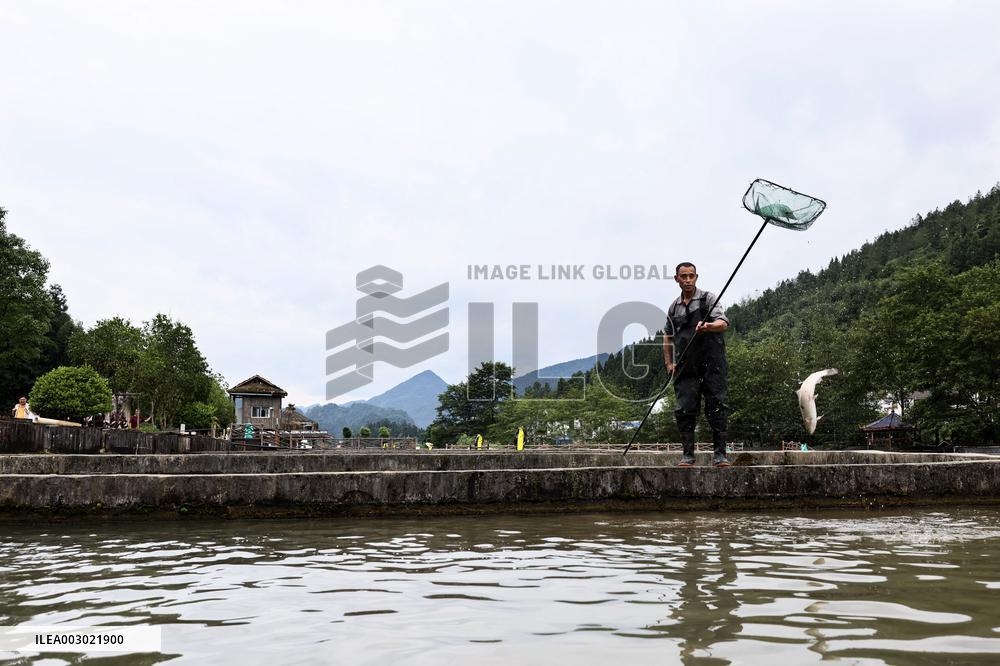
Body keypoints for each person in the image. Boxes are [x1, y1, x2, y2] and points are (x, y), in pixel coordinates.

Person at [663, 262, 730, 467]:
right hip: (686, 365)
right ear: (677, 279)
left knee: (717, 406)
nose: (688, 280)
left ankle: (720, 455)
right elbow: (668, 335)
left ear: (696, 277)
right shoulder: (674, 307)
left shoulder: (708, 299)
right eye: (683, 276)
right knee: (685, 409)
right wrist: (669, 363)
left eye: (691, 276)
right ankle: (687, 455)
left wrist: (708, 326)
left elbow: (723, 323)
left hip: (712, 363)